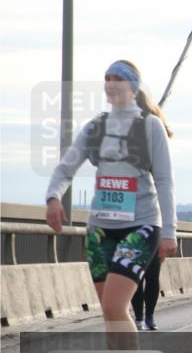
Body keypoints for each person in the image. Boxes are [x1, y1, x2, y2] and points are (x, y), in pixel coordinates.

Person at [45, 60, 177, 338]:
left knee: (115, 306)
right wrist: (53, 198)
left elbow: (164, 181)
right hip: (100, 230)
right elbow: (66, 168)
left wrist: (169, 232)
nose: (111, 82)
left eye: (118, 77)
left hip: (141, 225)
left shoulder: (150, 126)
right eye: (107, 77)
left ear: (133, 87)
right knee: (110, 312)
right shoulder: (96, 127)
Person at [131, 252, 160, 330]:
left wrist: (169, 239)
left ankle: (149, 317)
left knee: (153, 279)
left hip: (153, 244)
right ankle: (139, 318)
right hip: (134, 245)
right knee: (137, 281)